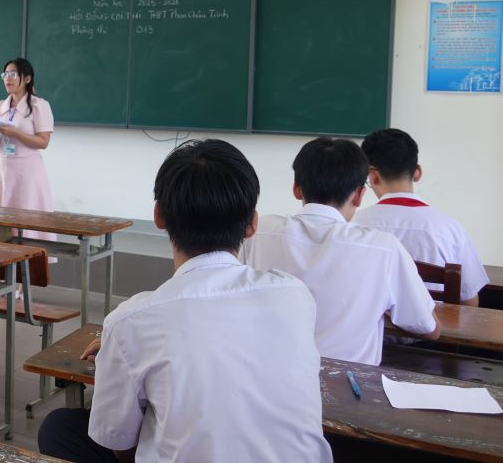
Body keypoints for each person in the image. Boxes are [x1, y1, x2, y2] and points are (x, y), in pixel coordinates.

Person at [38, 139, 332, 463]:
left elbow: (119, 442)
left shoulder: (130, 322)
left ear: (159, 216)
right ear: (252, 225)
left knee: (58, 428)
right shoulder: (294, 294)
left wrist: (121, 359)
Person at [239, 137, 440, 366]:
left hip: (270, 378)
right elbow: (429, 328)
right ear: (358, 195)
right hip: (348, 389)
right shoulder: (383, 248)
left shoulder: (259, 231)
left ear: (296, 188)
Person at [355, 128, 489, 306]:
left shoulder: (354, 225)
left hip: (376, 333)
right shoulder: (450, 228)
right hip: (434, 330)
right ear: (417, 172)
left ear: (372, 176)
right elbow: (469, 301)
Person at [0, 57, 55, 241]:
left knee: (26, 217)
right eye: (5, 74)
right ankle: (0, 261)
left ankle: (29, 263)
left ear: (27, 79)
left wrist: (16, 133)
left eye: (13, 74)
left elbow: (43, 142)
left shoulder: (39, 106)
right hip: (2, 168)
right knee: (0, 217)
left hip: (27, 170)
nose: (8, 78)